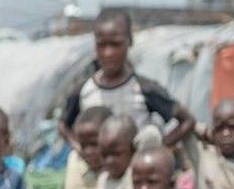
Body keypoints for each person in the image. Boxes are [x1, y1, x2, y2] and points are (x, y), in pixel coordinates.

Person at [59, 8, 196, 152]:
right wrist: (79, 148)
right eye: (102, 45)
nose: (108, 52)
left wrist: (156, 149)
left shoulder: (143, 88)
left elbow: (187, 121)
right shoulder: (84, 90)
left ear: (129, 41)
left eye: (115, 44)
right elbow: (63, 125)